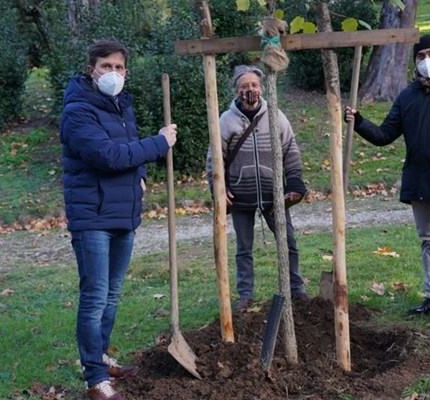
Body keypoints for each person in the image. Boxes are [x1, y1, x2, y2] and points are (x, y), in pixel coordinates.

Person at [60, 39, 178, 400]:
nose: (113, 73)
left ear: (126, 71)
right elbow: (108, 155)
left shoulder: (120, 107)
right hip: (92, 215)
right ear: (91, 69)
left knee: (111, 295)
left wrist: (141, 171)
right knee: (95, 297)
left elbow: (127, 150)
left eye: (119, 67)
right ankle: (95, 380)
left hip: (123, 214)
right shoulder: (78, 110)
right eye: (105, 66)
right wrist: (159, 143)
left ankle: (102, 357)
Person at [345, 35, 430, 328]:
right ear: (415, 61)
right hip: (418, 179)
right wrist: (360, 121)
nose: (426, 60)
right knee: (428, 240)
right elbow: (384, 135)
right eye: (420, 56)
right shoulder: (407, 96)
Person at [206, 65, 308, 313]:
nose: (249, 90)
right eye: (244, 86)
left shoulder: (276, 116)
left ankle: (296, 289)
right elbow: (214, 158)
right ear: (236, 90)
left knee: (289, 242)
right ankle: (245, 296)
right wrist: (218, 187)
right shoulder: (225, 121)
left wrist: (295, 182)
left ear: (261, 88)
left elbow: (290, 150)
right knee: (243, 249)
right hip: (240, 196)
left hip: (275, 196)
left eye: (254, 85)